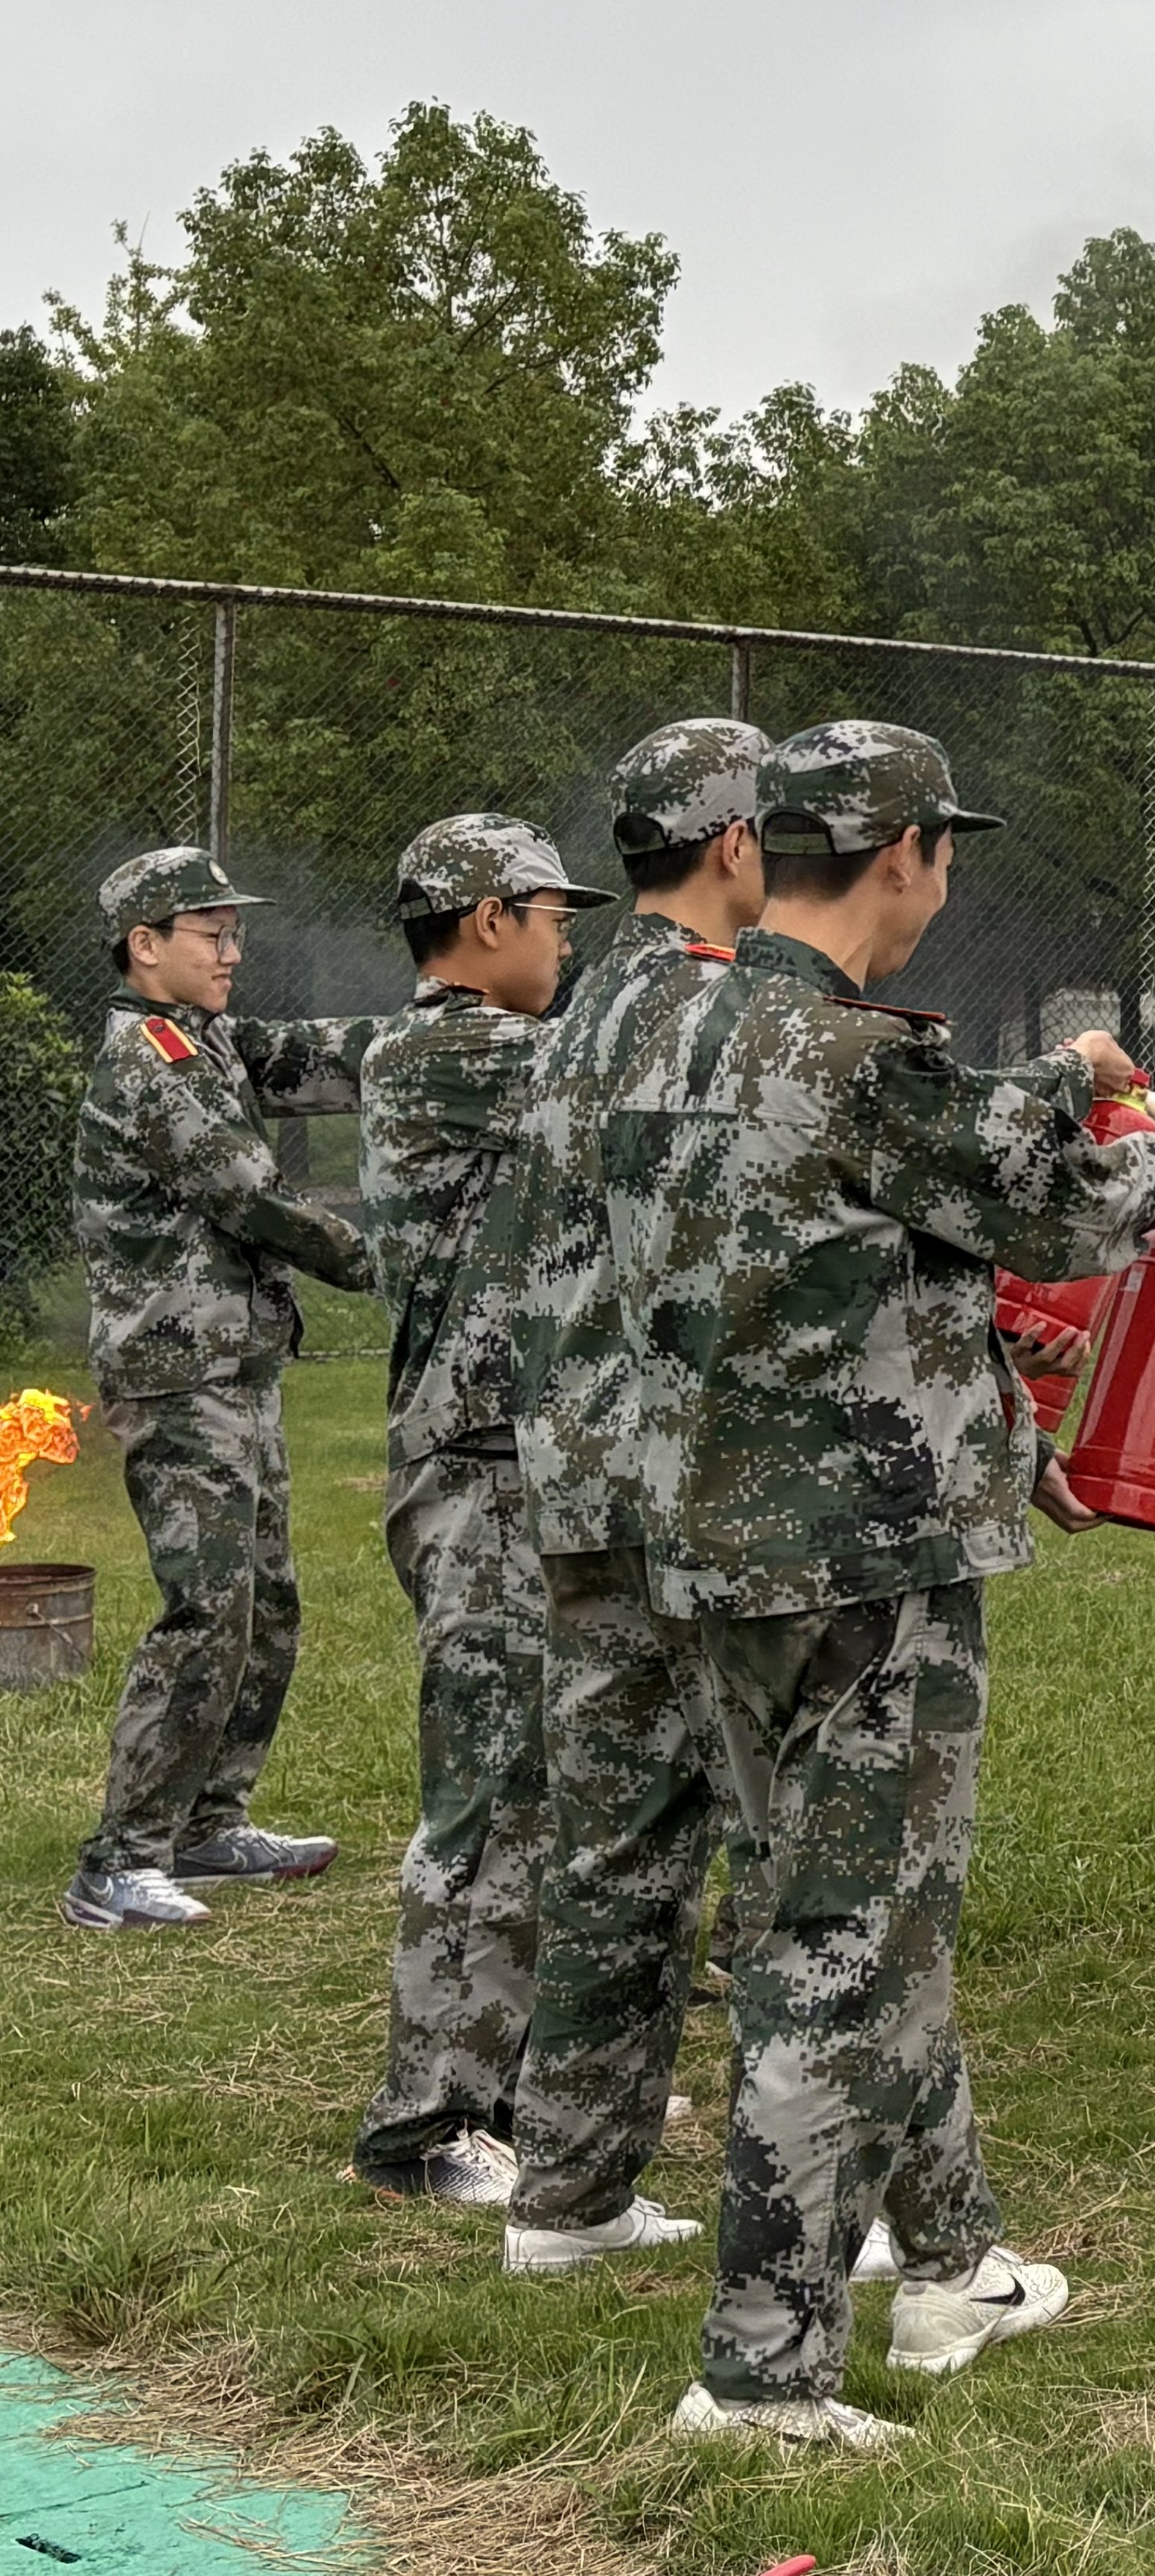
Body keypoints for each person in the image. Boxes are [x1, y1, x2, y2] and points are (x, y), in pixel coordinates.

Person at [593, 721, 1155, 2450]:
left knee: (854, 1915)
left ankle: (951, 2268)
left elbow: (871, 1229)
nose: (944, 881)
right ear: (908, 853)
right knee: (840, 1954)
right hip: (867, 1571)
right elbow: (1065, 1219)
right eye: (944, 853)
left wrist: (1006, 1414)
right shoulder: (858, 1059)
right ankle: (763, 2379)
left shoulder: (674, 1030)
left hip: (715, 1552)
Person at [499, 719, 773, 2274]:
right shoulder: (721, 1014)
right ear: (736, 841)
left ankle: (569, 2201)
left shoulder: (589, 1007)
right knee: (796, 1848)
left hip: (583, 1483)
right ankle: (831, 2205)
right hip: (702, 1488)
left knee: (615, 1851)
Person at [344, 815, 612, 2207]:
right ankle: (429, 2126)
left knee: (550, 1790)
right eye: (555, 917)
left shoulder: (503, 1057)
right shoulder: (453, 1051)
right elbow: (663, 1088)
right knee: (494, 1794)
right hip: (482, 1471)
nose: (567, 942)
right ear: (488, 918)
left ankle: (514, 2088)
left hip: (528, 1464)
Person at [61, 848, 380, 1933]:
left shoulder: (205, 1040)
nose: (234, 950)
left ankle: (207, 1824)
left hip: (231, 1365)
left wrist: (448, 1031)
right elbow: (257, 1202)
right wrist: (392, 1257)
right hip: (177, 1373)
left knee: (265, 1603)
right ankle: (117, 1863)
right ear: (145, 945)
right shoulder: (151, 1060)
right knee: (208, 1607)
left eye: (235, 931)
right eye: (213, 933)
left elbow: (319, 1057)